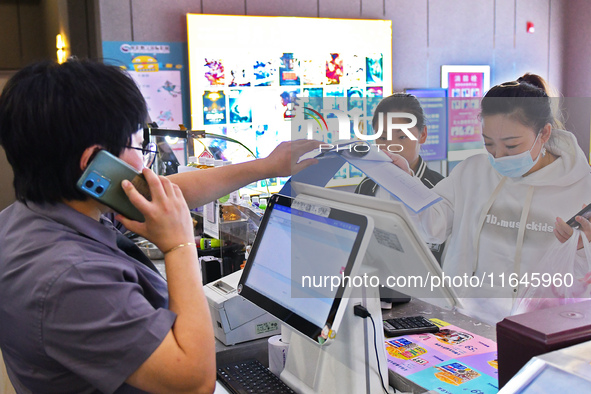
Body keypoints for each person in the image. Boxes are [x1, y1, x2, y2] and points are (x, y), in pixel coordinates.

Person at [0, 59, 320, 394]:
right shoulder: (71, 279)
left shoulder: (34, 215)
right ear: (95, 163)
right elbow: (194, 382)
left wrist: (266, 167)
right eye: (139, 146)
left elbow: (166, 192)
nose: (146, 162)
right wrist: (178, 246)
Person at [386, 74, 591, 324]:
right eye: (489, 144)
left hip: (540, 328)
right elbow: (432, 226)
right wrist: (404, 181)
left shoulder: (582, 187)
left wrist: (583, 249)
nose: (499, 156)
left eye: (512, 146)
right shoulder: (472, 172)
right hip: (464, 321)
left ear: (544, 133)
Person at [355, 93, 445, 263]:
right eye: (382, 137)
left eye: (402, 137)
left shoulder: (440, 188)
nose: (390, 146)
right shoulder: (366, 187)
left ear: (422, 134)